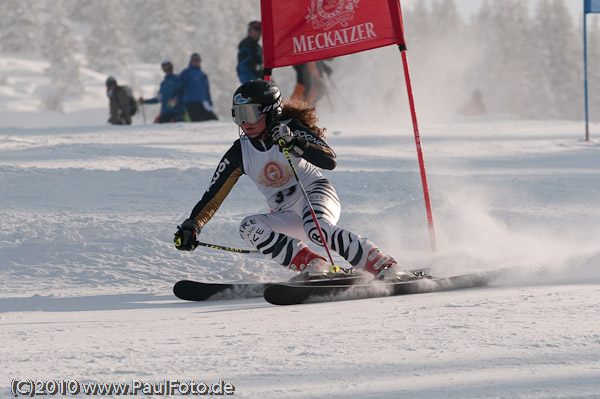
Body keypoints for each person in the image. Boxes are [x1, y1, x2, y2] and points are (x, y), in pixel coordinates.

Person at [174, 79, 413, 282]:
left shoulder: (292, 129)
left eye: (250, 114)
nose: (245, 123)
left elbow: (330, 161)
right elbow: (213, 196)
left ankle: (383, 264)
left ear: (271, 111)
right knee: (248, 226)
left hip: (317, 194)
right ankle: (314, 266)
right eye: (239, 116)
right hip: (287, 213)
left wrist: (296, 144)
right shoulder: (240, 152)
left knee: (317, 228)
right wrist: (193, 225)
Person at [178, 53, 218, 122]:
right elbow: (179, 85)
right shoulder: (186, 73)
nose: (196, 62)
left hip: (203, 103)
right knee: (196, 122)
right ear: (191, 61)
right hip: (191, 103)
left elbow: (206, 89)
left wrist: (209, 100)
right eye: (194, 60)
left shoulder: (202, 74)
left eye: (197, 60)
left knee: (214, 120)